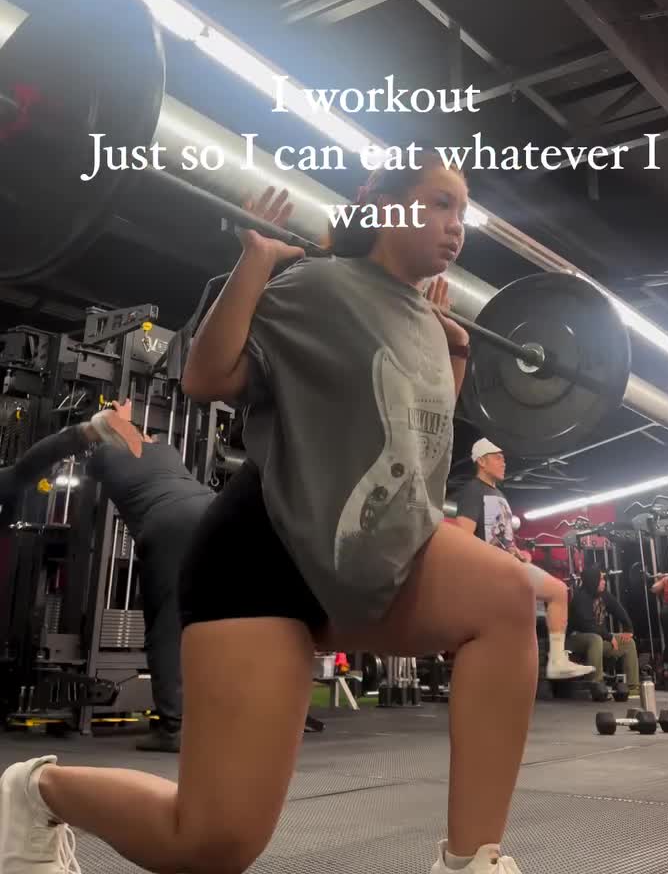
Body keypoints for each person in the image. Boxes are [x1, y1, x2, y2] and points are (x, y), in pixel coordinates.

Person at [0, 154, 538, 874]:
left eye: (462, 213)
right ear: (385, 204)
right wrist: (254, 261)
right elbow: (206, 378)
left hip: (356, 552)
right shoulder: (319, 286)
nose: (456, 227)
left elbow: (417, 443)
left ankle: (472, 863)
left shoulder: (432, 324)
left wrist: (458, 349)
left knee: (504, 597)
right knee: (212, 845)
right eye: (440, 204)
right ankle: (37, 791)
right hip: (263, 560)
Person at [0, 401, 212, 752]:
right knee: (217, 620)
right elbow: (130, 436)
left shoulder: (101, 457)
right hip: (214, 510)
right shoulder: (167, 451)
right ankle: (222, 717)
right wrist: (119, 423)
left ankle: (174, 728)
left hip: (169, 524)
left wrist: (91, 429)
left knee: (166, 627)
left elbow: (36, 464)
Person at [455, 439, 594, 682]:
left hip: (509, 566)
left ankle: (555, 661)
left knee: (556, 594)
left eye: (503, 457)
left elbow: (504, 539)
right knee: (552, 595)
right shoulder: (472, 491)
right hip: (491, 571)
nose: (504, 462)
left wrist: (519, 552)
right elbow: (463, 539)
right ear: (482, 461)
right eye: (498, 457)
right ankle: (544, 665)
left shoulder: (499, 495)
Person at [567, 565, 640, 696]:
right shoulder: (580, 597)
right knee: (595, 639)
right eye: (601, 579)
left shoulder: (603, 595)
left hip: (599, 639)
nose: (604, 582)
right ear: (593, 580)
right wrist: (609, 637)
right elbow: (587, 625)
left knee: (628, 643)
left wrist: (628, 628)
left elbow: (618, 609)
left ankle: (632, 686)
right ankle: (597, 685)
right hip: (574, 640)